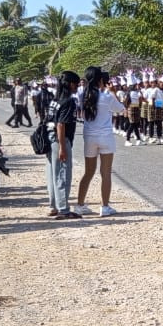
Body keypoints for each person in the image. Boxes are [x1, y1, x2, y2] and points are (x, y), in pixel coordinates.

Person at [74, 68, 126, 217]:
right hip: (105, 137)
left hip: (89, 136)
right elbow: (121, 109)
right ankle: (104, 206)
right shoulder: (107, 96)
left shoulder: (82, 95)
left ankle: (80, 205)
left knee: (88, 172)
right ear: (100, 80)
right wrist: (113, 92)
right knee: (106, 172)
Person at [44, 71, 81, 220]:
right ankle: (64, 210)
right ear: (70, 84)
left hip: (49, 139)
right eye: (76, 84)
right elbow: (61, 124)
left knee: (52, 175)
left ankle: (53, 206)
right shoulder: (68, 101)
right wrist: (62, 147)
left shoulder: (54, 100)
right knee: (62, 175)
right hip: (60, 140)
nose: (77, 87)